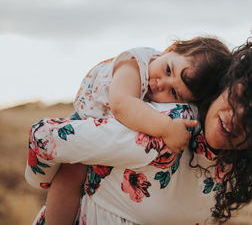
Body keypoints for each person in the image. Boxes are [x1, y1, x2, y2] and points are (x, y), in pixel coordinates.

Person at [26, 34, 252, 225]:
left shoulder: (235, 167)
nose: (238, 117)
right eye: (244, 96)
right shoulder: (168, 127)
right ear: (234, 79)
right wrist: (46, 178)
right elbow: (44, 137)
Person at [45, 36, 232, 225]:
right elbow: (121, 105)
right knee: (69, 175)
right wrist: (166, 128)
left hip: (112, 128)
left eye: (174, 93)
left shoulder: (163, 80)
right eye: (168, 70)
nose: (160, 84)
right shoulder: (134, 64)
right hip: (86, 119)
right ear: (171, 48)